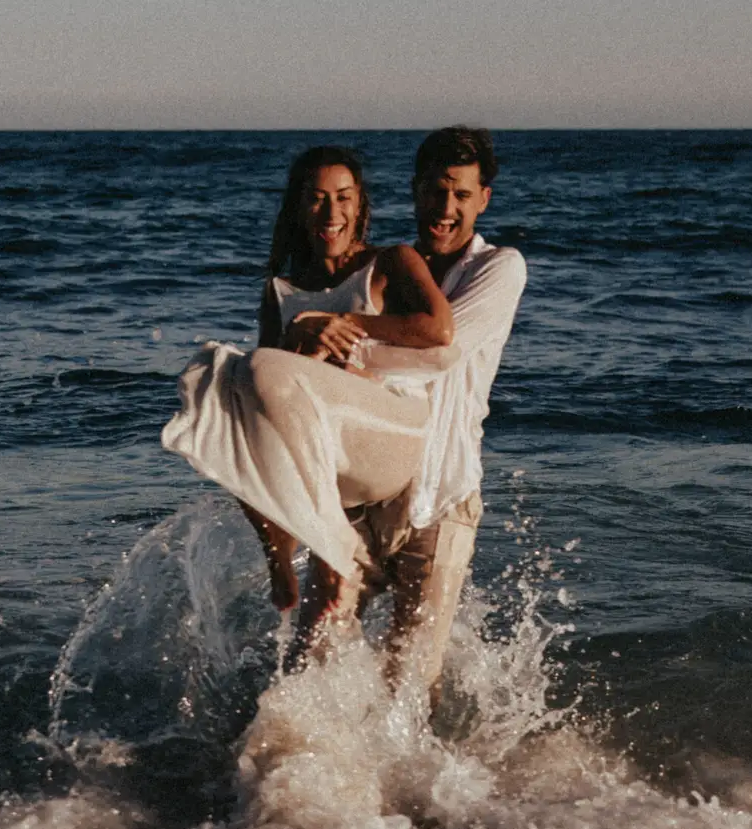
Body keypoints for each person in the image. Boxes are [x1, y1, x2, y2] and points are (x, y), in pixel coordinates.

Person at [161, 146, 457, 655]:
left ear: (360, 204)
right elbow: (267, 400)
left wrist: (342, 324)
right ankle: (280, 553)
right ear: (299, 207)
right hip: (328, 463)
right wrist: (301, 339)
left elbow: (439, 329)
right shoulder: (280, 291)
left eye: (343, 197)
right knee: (226, 393)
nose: (331, 212)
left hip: (388, 438)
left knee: (256, 368)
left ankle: (327, 546)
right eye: (317, 199)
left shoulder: (389, 262)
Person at [298, 126, 526, 704]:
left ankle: (431, 768)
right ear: (415, 191)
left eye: (461, 194)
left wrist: (341, 333)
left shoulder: (500, 267)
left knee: (411, 685)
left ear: (483, 199)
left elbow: (439, 348)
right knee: (308, 663)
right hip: (363, 496)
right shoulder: (386, 270)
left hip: (441, 499)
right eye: (434, 191)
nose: (445, 208)